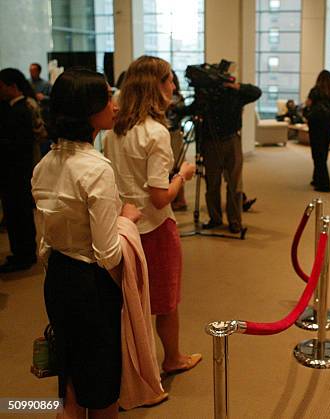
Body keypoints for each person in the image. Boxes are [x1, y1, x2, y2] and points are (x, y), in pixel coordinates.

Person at [31, 68, 142, 418]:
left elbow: (46, 239)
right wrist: (127, 220)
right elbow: (108, 253)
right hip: (90, 284)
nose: (115, 105)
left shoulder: (44, 164)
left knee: (70, 377)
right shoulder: (96, 169)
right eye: (107, 98)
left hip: (58, 278)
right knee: (102, 384)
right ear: (88, 109)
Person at [103, 56, 201, 376]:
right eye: (169, 80)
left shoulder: (113, 132)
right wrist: (182, 175)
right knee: (165, 299)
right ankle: (172, 358)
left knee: (131, 299)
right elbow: (160, 199)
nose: (174, 86)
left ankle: (134, 365)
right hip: (155, 227)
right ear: (156, 86)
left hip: (123, 225)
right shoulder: (155, 133)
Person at [196, 65, 261, 234]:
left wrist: (237, 86)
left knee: (234, 183)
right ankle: (215, 218)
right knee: (212, 183)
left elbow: (257, 92)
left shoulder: (235, 93)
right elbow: (194, 109)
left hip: (232, 140)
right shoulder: (205, 94)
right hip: (210, 142)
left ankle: (235, 221)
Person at [0, 68, 42, 272]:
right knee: (16, 214)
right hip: (16, 171)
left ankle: (24, 254)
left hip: (18, 171)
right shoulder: (14, 108)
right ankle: (20, 252)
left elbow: (21, 144)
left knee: (20, 214)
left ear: (12, 86)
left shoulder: (21, 110)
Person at [305, 70, 330, 192]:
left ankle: (324, 184)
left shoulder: (315, 91)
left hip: (316, 126)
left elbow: (307, 105)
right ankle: (316, 178)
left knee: (317, 154)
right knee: (323, 153)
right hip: (329, 126)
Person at [167, 71, 188, 211]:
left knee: (174, 167)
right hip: (174, 134)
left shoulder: (176, 98)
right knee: (174, 167)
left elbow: (176, 117)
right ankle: (178, 199)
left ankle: (180, 199)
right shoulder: (180, 98)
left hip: (173, 135)